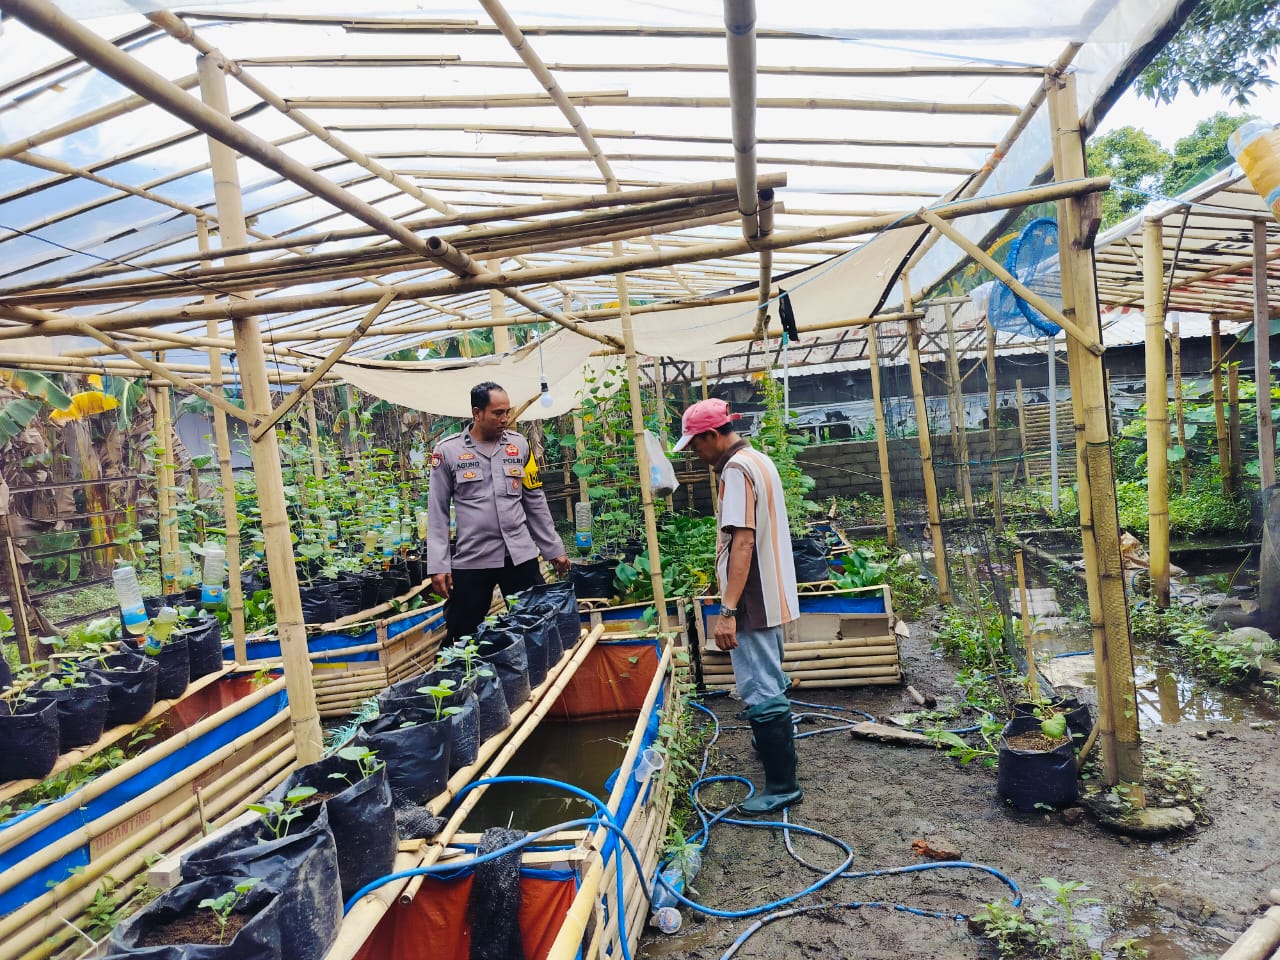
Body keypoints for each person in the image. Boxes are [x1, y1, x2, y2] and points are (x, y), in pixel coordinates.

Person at [673, 397, 802, 814]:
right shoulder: (758, 459)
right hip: (772, 590)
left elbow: (743, 542)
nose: (695, 453)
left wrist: (727, 611)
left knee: (760, 687)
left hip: (752, 598)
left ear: (713, 435)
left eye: (696, 444)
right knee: (770, 677)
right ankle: (771, 750)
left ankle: (783, 785)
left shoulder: (734, 470)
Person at [428, 382, 571, 641]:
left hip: (519, 555)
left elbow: (535, 501)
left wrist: (554, 548)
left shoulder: (520, 446)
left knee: (538, 628)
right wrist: (438, 565)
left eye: (507, 412)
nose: (505, 418)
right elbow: (438, 512)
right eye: (498, 413)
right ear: (477, 413)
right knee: (461, 635)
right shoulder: (448, 451)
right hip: (474, 558)